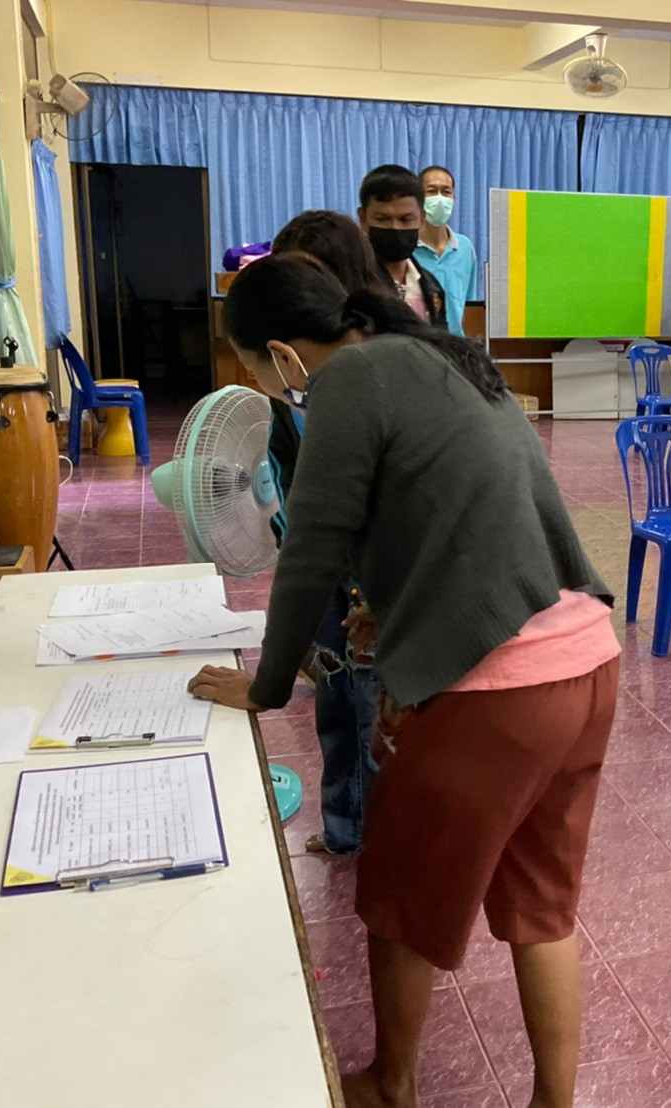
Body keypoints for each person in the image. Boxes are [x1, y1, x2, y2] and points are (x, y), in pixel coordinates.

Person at [189, 253, 619, 1108]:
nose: (264, 390)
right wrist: (396, 615)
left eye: (252, 370)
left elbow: (310, 551)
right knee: (542, 907)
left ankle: (390, 1085)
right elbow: (481, 514)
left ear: (282, 353)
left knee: (397, 901)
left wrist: (267, 687)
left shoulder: (347, 380)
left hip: (501, 693)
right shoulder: (441, 355)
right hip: (587, 662)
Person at [261, 209, 398, 856]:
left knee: (371, 702)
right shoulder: (293, 373)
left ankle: (386, 840)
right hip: (323, 556)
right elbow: (288, 469)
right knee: (333, 695)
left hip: (371, 562)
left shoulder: (374, 365)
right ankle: (346, 827)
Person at [357, 164, 447, 329]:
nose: (395, 227)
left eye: (406, 220)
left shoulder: (431, 287)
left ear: (421, 219)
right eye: (383, 219)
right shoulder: (351, 283)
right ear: (363, 218)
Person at [413, 165, 479, 337]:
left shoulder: (465, 248)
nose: (440, 198)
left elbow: (469, 305)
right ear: (418, 198)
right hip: (417, 342)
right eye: (431, 191)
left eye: (446, 192)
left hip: (456, 344)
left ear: (454, 198)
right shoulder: (407, 248)